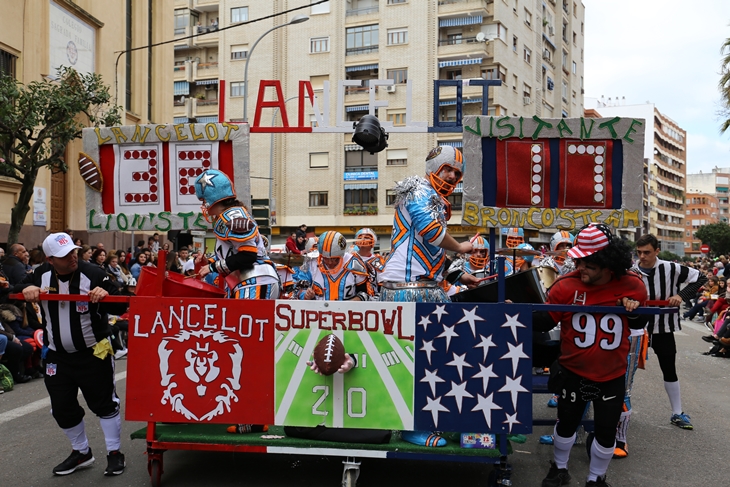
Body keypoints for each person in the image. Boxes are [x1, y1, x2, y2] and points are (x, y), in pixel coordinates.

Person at [532, 223, 648, 487]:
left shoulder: (633, 285)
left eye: (588, 264)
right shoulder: (565, 285)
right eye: (579, 261)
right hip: (573, 368)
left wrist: (633, 311)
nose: (579, 268)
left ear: (609, 265)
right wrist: (516, 311)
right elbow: (545, 321)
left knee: (607, 432)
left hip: (612, 372)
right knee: (566, 424)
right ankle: (559, 468)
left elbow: (640, 325)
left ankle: (596, 477)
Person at [378, 145, 477, 447]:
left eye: (457, 173)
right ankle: (412, 427)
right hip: (408, 291)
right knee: (417, 363)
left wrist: (460, 275)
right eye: (447, 168)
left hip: (425, 289)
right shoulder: (419, 189)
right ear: (433, 163)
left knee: (446, 358)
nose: (451, 176)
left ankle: (442, 419)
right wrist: (460, 247)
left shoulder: (434, 198)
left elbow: (429, 252)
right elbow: (431, 231)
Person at [17, 232, 128, 476]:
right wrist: (27, 288)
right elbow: (12, 289)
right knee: (61, 406)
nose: (72, 257)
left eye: (73, 252)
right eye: (64, 256)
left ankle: (114, 453)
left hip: (93, 352)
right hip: (57, 355)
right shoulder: (40, 274)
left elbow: (123, 302)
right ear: (50, 259)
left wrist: (105, 295)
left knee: (105, 404)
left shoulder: (94, 273)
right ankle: (81, 452)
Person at [631, 234, 705, 435]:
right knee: (625, 371)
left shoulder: (671, 268)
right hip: (636, 328)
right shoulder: (631, 271)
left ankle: (677, 412)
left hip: (663, 327)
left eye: (647, 252)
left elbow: (701, 278)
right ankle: (619, 410)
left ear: (657, 251)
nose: (642, 256)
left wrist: (681, 295)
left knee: (669, 369)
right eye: (639, 252)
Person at [194, 169, 281, 300]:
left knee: (246, 320)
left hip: (254, 281)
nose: (203, 205)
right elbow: (233, 254)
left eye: (203, 200)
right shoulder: (228, 216)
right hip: (249, 282)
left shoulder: (233, 217)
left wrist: (212, 267)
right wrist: (209, 261)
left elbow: (248, 255)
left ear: (212, 198)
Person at [298, 231, 369, 302]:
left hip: (347, 311)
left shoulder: (354, 264)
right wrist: (306, 295)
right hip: (319, 311)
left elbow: (365, 293)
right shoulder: (311, 263)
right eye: (326, 258)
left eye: (334, 259)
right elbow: (299, 290)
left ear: (342, 255)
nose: (330, 262)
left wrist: (353, 302)